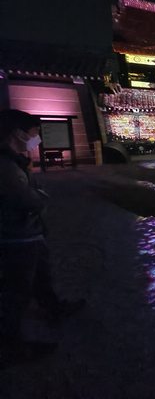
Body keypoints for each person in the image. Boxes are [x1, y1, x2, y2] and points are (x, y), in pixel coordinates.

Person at [0, 110, 85, 364]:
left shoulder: (16, 161)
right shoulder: (6, 166)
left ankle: (53, 307)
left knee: (40, 275)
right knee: (17, 290)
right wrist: (40, 197)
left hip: (29, 233)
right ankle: (10, 344)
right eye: (34, 133)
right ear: (18, 134)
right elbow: (29, 199)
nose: (37, 138)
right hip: (17, 235)